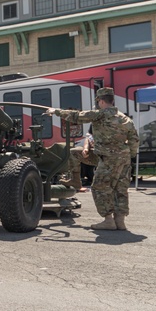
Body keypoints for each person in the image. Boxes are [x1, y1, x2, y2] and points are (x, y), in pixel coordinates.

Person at [48, 87, 139, 231]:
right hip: (124, 159)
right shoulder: (125, 118)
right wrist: (129, 155)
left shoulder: (100, 115)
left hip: (108, 158)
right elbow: (134, 140)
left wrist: (56, 111)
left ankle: (108, 220)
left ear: (101, 101)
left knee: (99, 188)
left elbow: (76, 116)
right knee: (120, 189)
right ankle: (120, 221)